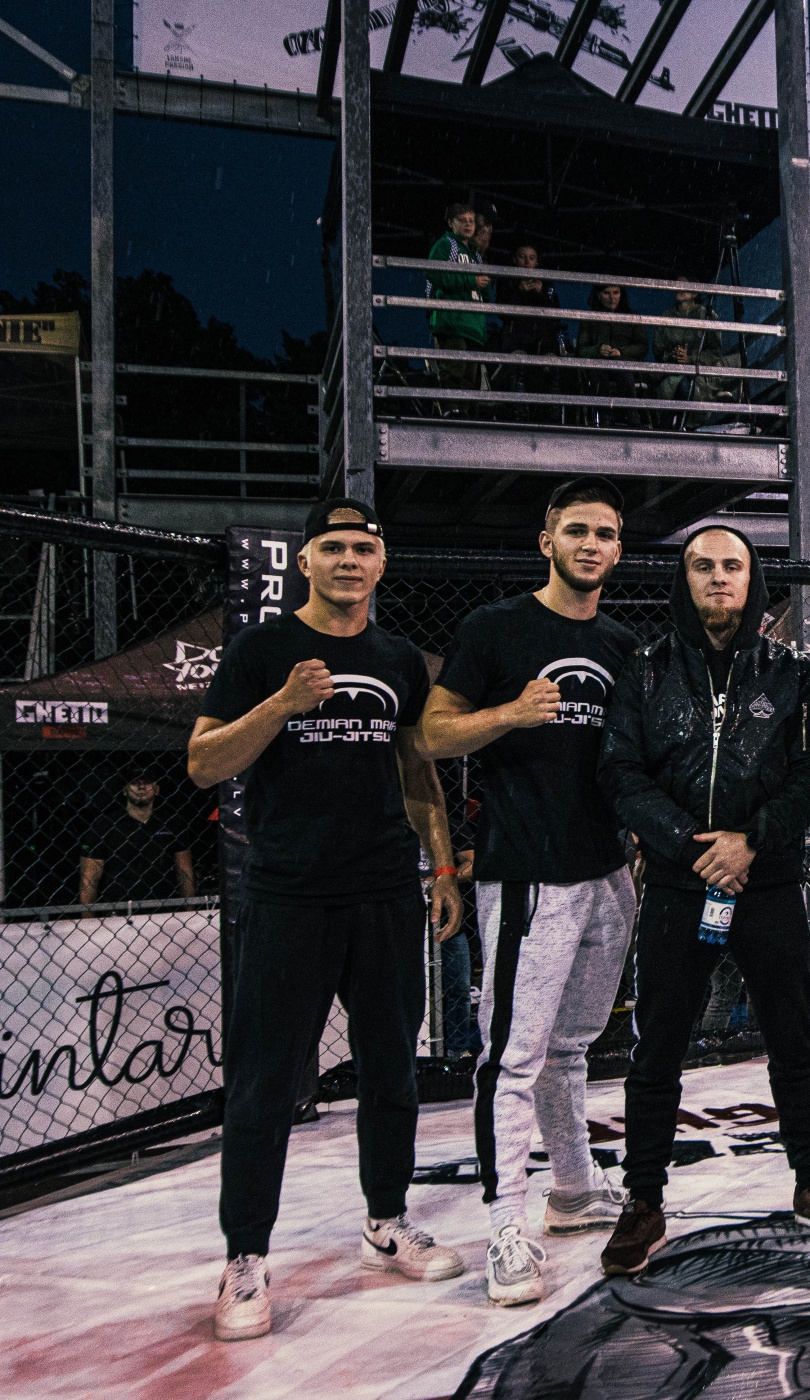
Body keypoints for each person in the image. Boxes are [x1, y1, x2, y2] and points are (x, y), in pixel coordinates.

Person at [188, 497, 465, 1342]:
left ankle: (387, 1221)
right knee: (265, 1082)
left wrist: (441, 864)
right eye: (334, 547)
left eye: (364, 549)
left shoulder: (398, 659)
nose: (350, 561)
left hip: (384, 891)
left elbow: (417, 771)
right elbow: (203, 764)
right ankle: (245, 1257)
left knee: (393, 1070)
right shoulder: (261, 650)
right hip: (288, 893)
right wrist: (279, 705)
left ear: (381, 563)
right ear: (306, 561)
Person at [596, 523, 810, 1274]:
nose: (718, 577)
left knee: (792, 1038)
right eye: (703, 565)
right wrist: (694, 848)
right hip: (680, 885)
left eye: (733, 566)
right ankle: (643, 1199)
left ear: (753, 581)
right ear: (683, 579)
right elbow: (620, 773)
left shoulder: (790, 673)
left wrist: (751, 842)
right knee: (657, 1048)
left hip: (765, 881)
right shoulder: (644, 668)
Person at [419, 478, 638, 1306]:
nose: (591, 545)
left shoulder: (621, 643)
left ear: (618, 549)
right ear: (547, 539)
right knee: (513, 1056)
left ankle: (574, 1189)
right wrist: (509, 714)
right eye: (576, 530)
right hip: (527, 874)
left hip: (607, 872)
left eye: (605, 534)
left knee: (573, 1045)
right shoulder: (495, 628)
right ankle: (505, 1227)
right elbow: (431, 733)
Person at [79, 772, 194, 904]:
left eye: (147, 782)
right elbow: (89, 879)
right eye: (134, 782)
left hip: (164, 907)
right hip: (119, 908)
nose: (141, 787)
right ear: (125, 790)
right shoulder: (104, 825)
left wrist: (189, 910)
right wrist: (87, 915)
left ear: (157, 789)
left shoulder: (172, 823)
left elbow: (184, 873)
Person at [651, 279, 742, 424]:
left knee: (690, 388)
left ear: (694, 292)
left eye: (684, 285)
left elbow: (714, 352)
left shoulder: (707, 316)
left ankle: (685, 424)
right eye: (677, 285)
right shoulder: (666, 317)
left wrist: (691, 358)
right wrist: (673, 356)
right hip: (674, 372)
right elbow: (658, 351)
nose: (679, 288)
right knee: (667, 389)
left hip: (700, 372)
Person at [427, 201, 490, 405]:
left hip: (474, 327)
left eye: (471, 220)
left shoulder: (476, 254)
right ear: (450, 223)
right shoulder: (446, 245)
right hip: (453, 322)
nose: (468, 224)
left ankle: (464, 414)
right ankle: (450, 411)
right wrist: (471, 281)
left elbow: (487, 295)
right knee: (453, 371)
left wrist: (485, 285)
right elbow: (435, 274)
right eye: (462, 220)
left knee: (470, 378)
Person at [496, 244, 565, 410]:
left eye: (532, 258)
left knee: (553, 369)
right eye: (522, 257)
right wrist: (519, 291)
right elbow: (502, 313)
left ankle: (553, 414)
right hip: (516, 338)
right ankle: (518, 412)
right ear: (514, 259)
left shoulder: (547, 283)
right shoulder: (506, 280)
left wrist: (541, 293)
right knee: (519, 367)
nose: (527, 262)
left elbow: (555, 315)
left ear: (537, 262)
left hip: (543, 339)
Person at [577, 284, 649, 425]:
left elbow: (642, 347)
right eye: (607, 293)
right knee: (598, 372)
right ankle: (605, 417)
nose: (612, 297)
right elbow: (581, 349)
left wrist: (621, 352)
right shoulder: (589, 319)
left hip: (626, 366)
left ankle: (632, 415)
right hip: (599, 367)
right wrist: (598, 350)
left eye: (616, 293)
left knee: (623, 369)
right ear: (598, 295)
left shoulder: (633, 317)